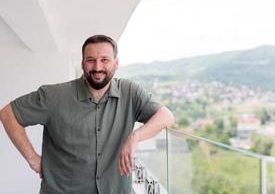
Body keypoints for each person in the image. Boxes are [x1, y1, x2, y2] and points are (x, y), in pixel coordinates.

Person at [0, 35, 175, 194]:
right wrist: (32, 158)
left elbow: (166, 116)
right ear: (83, 63)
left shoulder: (130, 91)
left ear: (116, 63)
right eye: (91, 60)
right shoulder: (54, 95)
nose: (97, 67)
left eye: (104, 60)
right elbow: (8, 113)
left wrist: (135, 136)